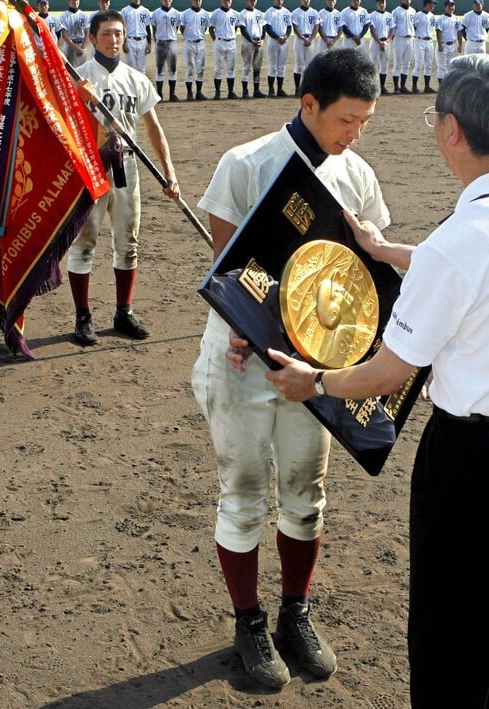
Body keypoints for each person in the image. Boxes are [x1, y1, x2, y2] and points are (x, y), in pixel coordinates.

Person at [266, 54, 489, 709]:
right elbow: (483, 273)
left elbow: (387, 371)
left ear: (452, 131)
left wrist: (313, 380)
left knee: (450, 636)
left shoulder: (458, 243)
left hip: (478, 463)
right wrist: (388, 251)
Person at [191, 49, 392, 690]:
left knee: (307, 493)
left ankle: (294, 614)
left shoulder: (357, 176)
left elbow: (364, 280)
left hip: (316, 370)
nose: (355, 134)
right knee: (244, 493)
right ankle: (248, 621)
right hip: (242, 362)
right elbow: (228, 270)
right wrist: (240, 325)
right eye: (346, 120)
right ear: (309, 104)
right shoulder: (245, 164)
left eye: (364, 122)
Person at [67, 10, 181, 346]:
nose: (113, 40)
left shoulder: (136, 79)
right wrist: (79, 100)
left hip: (127, 166)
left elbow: (153, 128)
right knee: (84, 243)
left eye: (118, 33)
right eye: (106, 33)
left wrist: (169, 171)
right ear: (92, 38)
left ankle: (123, 312)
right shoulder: (79, 79)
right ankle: (83, 317)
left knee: (128, 242)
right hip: (91, 167)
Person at [209, 0, 240, 100]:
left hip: (232, 42)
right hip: (220, 42)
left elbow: (236, 27)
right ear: (221, 0)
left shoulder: (235, 14)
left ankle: (230, 92)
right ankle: (217, 93)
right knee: (218, 69)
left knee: (231, 69)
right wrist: (216, 40)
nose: (227, 1)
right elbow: (211, 28)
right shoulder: (216, 13)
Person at [179, 0, 210, 101]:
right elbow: (182, 28)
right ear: (191, 0)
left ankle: (199, 93)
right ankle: (189, 93)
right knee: (190, 69)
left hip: (201, 43)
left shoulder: (205, 14)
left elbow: (205, 28)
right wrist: (188, 37)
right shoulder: (185, 14)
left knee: (201, 69)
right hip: (189, 43)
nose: (198, 1)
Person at [150, 0, 181, 101]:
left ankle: (172, 94)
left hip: (172, 42)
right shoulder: (156, 13)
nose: (167, 0)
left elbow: (177, 27)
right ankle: (159, 95)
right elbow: (154, 28)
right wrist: (156, 40)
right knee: (160, 70)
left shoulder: (176, 13)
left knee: (173, 69)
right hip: (161, 43)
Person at [290, 0, 320, 95]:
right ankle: (297, 88)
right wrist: (304, 39)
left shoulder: (314, 12)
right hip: (299, 40)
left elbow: (316, 27)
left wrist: (310, 39)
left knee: (309, 66)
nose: (305, 0)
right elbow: (295, 29)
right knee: (298, 65)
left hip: (310, 40)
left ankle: (307, 88)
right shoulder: (295, 12)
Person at [264, 0, 292, 97]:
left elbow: (289, 27)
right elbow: (268, 28)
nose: (280, 0)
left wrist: (285, 37)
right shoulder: (269, 12)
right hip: (273, 41)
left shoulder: (287, 12)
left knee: (281, 67)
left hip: (284, 42)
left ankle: (280, 89)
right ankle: (271, 90)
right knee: (273, 66)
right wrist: (278, 37)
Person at [238, 0, 266, 99]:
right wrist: (251, 40)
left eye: (255, 0)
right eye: (251, 0)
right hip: (248, 43)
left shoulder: (259, 13)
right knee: (246, 67)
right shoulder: (242, 14)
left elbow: (263, 28)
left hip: (259, 43)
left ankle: (256, 91)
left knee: (257, 68)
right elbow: (243, 29)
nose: (253, 2)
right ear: (247, 1)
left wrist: (262, 39)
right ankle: (245, 92)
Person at [120, 0, 152, 74]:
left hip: (143, 41)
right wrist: (124, 43)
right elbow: (122, 28)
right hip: (130, 41)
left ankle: (141, 84)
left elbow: (148, 28)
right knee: (131, 69)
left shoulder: (145, 11)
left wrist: (149, 43)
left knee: (142, 69)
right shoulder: (125, 11)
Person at [368, 0, 394, 95]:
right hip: (375, 43)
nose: (382, 4)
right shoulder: (372, 15)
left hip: (386, 42)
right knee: (374, 65)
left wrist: (386, 41)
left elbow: (392, 29)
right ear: (376, 4)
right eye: (380, 2)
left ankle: (382, 87)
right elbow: (372, 30)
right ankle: (374, 87)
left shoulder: (389, 15)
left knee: (384, 65)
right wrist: (379, 42)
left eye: (383, 2)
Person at [391, 0, 416, 93]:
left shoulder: (413, 11)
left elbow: (414, 25)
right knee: (397, 63)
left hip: (410, 39)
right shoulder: (396, 11)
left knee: (407, 64)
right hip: (399, 39)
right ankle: (396, 87)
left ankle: (403, 86)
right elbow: (392, 27)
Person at [412, 0, 437, 94]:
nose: (433, 5)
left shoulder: (432, 16)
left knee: (428, 65)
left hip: (429, 42)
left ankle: (427, 86)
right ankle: (414, 86)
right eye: (432, 4)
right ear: (427, 4)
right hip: (420, 41)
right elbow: (413, 27)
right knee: (419, 64)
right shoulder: (418, 15)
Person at [59, 0, 91, 67]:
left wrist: (83, 47)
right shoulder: (64, 16)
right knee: (70, 70)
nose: (75, 1)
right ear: (68, 1)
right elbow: (64, 36)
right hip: (70, 46)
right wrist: (76, 48)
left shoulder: (84, 15)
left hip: (82, 45)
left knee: (83, 69)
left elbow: (87, 32)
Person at [435, 0, 462, 88]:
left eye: (452, 6)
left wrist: (460, 45)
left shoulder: (456, 18)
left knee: (451, 66)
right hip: (443, 45)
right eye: (449, 6)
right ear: (445, 7)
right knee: (442, 66)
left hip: (453, 45)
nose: (451, 7)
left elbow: (459, 32)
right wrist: (439, 44)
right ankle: (442, 86)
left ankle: (449, 86)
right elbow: (438, 32)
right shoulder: (441, 19)